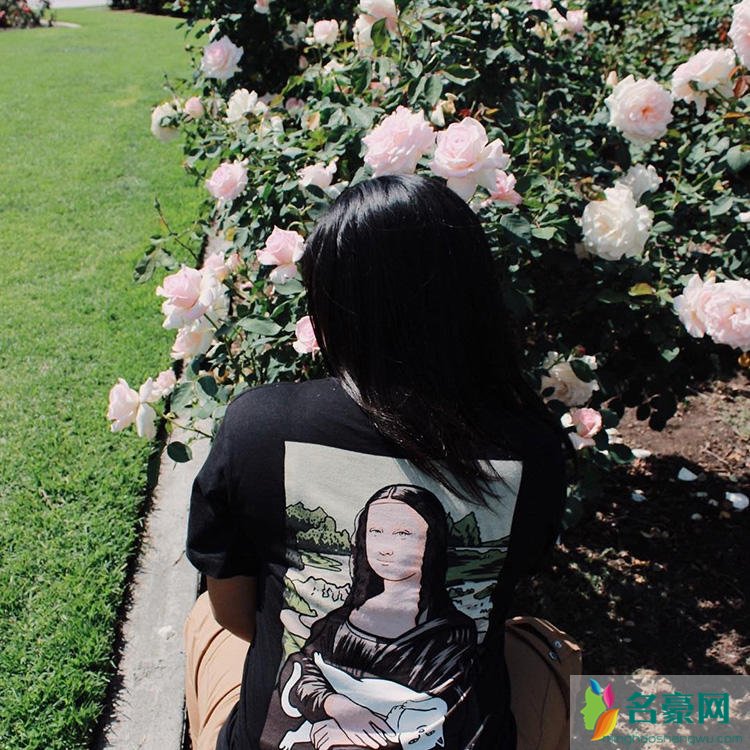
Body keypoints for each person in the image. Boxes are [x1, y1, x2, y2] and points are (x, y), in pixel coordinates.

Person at [184, 173, 575, 750]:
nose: (390, 547)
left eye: (406, 533)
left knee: (203, 626)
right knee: (539, 651)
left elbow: (235, 615)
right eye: (380, 532)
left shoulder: (258, 426)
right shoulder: (532, 445)